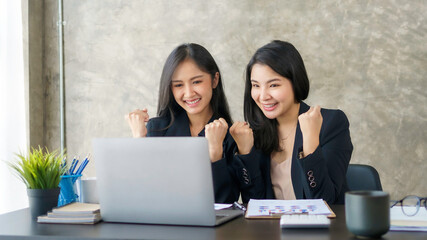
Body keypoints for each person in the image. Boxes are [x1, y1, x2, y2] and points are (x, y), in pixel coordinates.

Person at [230, 40, 353, 204]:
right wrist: (246, 153)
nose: (263, 96)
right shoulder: (256, 133)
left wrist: (310, 143)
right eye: (256, 86)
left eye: (273, 85)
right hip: (271, 229)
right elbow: (254, 204)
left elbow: (324, 201)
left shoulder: (330, 123)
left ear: (295, 82)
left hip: (324, 228)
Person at [125, 43, 239, 203]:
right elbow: (139, 194)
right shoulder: (157, 129)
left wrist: (215, 154)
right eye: (178, 85)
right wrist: (139, 139)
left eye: (197, 82)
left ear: (214, 80)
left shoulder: (231, 135)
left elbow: (225, 202)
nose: (189, 93)